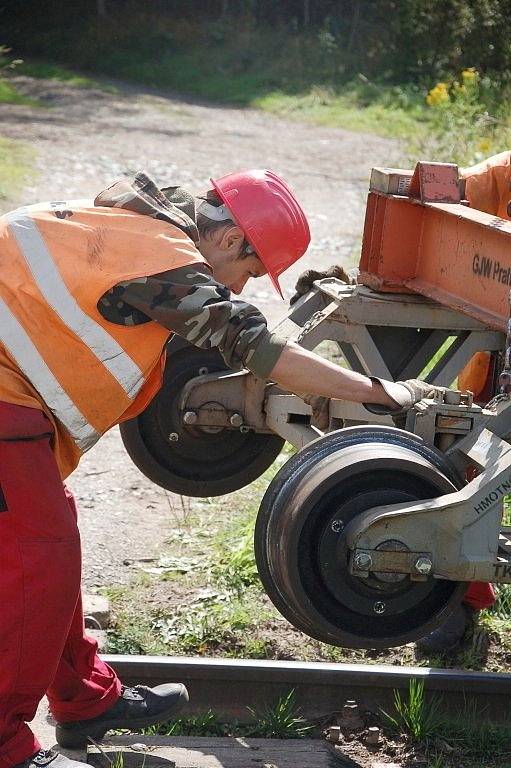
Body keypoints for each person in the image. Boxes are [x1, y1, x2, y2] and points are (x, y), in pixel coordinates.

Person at [0, 168, 447, 768]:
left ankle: (85, 699)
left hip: (12, 401)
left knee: (51, 548)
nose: (243, 286)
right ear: (232, 241)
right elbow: (266, 355)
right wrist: (383, 395)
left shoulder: (136, 227)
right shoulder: (165, 262)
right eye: (251, 274)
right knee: (39, 554)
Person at [293, 154, 511, 654]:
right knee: (452, 454)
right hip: (492, 367)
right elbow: (441, 205)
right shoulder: (502, 177)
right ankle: (455, 598)